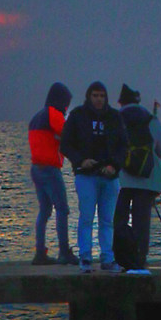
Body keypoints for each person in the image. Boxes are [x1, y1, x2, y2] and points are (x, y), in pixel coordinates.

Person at [61, 80, 127, 270]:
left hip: (110, 177)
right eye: (95, 95)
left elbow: (124, 145)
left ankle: (107, 258)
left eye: (102, 96)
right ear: (89, 97)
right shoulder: (77, 116)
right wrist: (81, 160)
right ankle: (86, 258)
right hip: (86, 176)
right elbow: (65, 144)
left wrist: (115, 166)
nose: (98, 99)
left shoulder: (115, 117)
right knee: (86, 218)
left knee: (107, 220)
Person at [113, 83, 161, 270]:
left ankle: (120, 255)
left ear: (121, 103)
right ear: (138, 101)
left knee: (120, 218)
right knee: (142, 219)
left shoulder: (115, 119)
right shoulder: (150, 119)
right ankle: (140, 257)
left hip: (125, 179)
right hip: (149, 178)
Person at [27, 81, 76, 264]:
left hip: (36, 169)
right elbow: (68, 134)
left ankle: (40, 253)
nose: (66, 107)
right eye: (66, 103)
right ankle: (64, 252)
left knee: (45, 211)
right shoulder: (53, 114)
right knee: (62, 209)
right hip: (50, 169)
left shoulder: (35, 118)